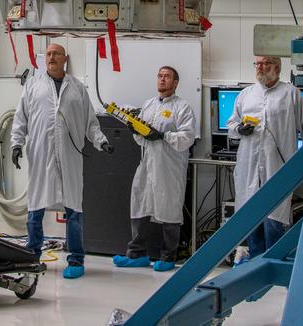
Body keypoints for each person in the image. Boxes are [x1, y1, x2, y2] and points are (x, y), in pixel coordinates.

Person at [10, 42, 112, 279]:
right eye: (48, 54)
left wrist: (101, 141)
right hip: (40, 155)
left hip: (70, 157)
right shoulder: (33, 86)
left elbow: (91, 123)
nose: (51, 57)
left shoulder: (78, 88)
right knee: (35, 208)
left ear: (65, 58)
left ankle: (76, 258)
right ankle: (32, 254)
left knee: (74, 209)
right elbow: (20, 119)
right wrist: (16, 144)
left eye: (56, 54)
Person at [227, 55, 303, 259]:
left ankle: (274, 262)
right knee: (251, 216)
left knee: (275, 217)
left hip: (278, 166)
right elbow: (232, 125)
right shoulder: (246, 94)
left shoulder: (291, 94)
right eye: (257, 64)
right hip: (249, 166)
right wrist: (240, 129)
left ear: (277, 66)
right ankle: (256, 262)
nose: (261, 68)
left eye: (266, 63)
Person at [112, 65, 195, 272]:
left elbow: (187, 138)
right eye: (159, 76)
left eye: (167, 77)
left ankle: (168, 257)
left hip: (169, 168)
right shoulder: (148, 105)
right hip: (147, 163)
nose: (162, 79)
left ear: (175, 83)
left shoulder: (182, 107)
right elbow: (141, 138)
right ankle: (137, 254)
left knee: (169, 210)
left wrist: (163, 136)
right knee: (139, 203)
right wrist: (136, 130)